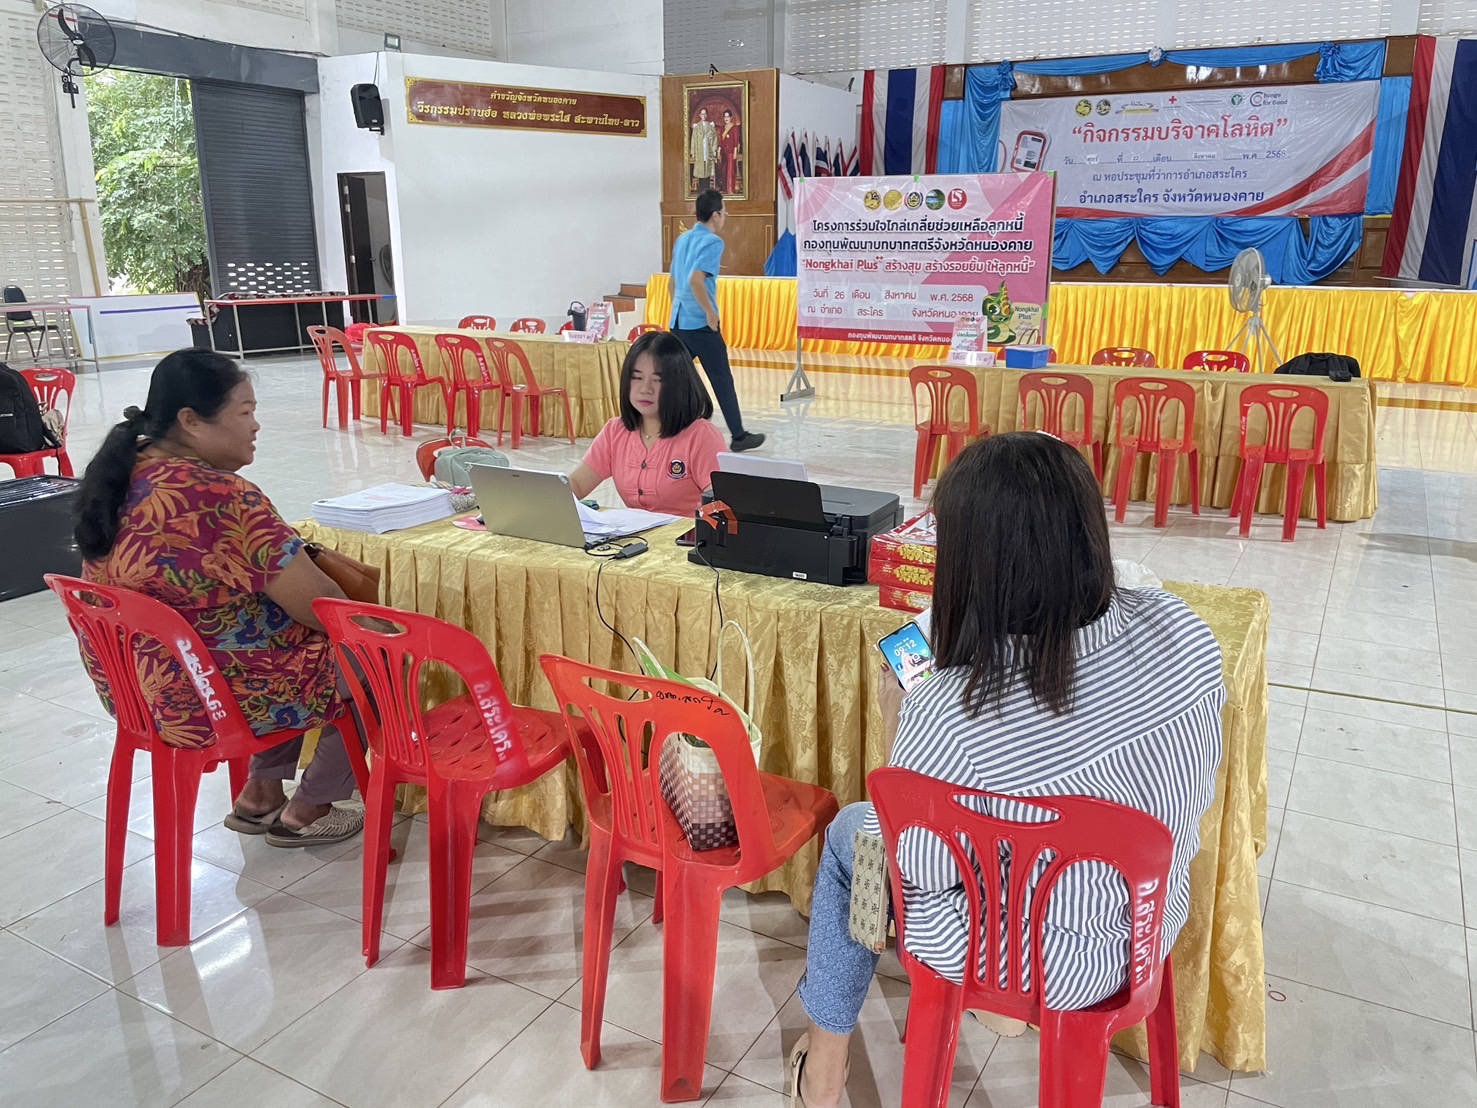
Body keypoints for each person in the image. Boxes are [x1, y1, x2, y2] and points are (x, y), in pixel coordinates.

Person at [787, 432, 1226, 1108]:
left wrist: (900, 717)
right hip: (1145, 923)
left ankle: (822, 1069)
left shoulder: (948, 705)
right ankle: (994, 1005)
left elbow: (919, 869)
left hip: (1033, 958)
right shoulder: (1181, 626)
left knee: (852, 837)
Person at [72, 349, 367, 848]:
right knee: (373, 658)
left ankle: (260, 792)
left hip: (139, 691)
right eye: (245, 412)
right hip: (208, 697)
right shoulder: (223, 496)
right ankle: (310, 808)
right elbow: (322, 606)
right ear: (191, 421)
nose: (256, 426)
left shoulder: (120, 476)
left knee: (283, 641)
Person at [568, 331, 724, 517]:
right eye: (637, 378)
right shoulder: (615, 431)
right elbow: (577, 485)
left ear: (679, 384)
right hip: (635, 541)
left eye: (658, 380)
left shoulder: (701, 435)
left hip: (687, 542)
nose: (645, 389)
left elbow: (720, 504)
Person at [669, 188, 765, 453]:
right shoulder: (712, 242)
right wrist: (710, 312)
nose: (726, 216)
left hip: (678, 321)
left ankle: (681, 426)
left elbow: (673, 282)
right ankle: (738, 435)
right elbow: (696, 280)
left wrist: (676, 309)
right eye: (724, 211)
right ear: (715, 215)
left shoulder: (683, 239)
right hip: (701, 323)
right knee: (722, 379)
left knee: (679, 378)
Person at [689, 106, 718, 192]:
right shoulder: (697, 127)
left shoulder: (710, 126)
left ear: (707, 115)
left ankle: (707, 190)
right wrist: (693, 152)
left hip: (708, 152)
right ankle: (701, 190)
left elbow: (714, 139)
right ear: (700, 115)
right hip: (700, 152)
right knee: (701, 171)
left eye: (705, 114)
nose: (704, 116)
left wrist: (713, 150)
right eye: (702, 114)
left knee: (707, 170)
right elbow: (693, 140)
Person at [717, 107, 743, 195]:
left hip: (732, 151)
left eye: (727, 116)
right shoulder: (722, 128)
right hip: (724, 151)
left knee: (730, 170)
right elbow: (721, 140)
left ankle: (730, 189)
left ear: (731, 117)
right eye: (725, 117)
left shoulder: (735, 127)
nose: (726, 118)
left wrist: (736, 151)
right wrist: (719, 149)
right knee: (724, 170)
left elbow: (736, 140)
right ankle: (724, 188)